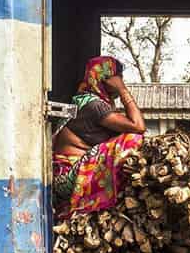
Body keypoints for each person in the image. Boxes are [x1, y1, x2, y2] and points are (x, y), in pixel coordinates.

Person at [52, 56, 146, 218]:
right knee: (132, 140)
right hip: (67, 177)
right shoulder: (93, 105)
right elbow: (138, 127)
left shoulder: (86, 101)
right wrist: (123, 90)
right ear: (105, 79)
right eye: (117, 77)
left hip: (67, 173)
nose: (120, 80)